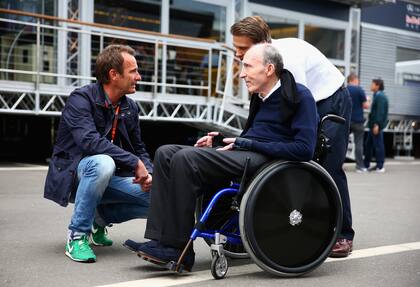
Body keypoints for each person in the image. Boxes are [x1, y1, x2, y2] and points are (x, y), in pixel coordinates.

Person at [126, 44, 318, 271]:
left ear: (269, 69)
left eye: (247, 66)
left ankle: (179, 249)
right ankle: (160, 239)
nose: (242, 73)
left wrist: (247, 143)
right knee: (166, 153)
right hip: (249, 154)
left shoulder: (299, 96)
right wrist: (222, 139)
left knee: (186, 158)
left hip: (269, 164)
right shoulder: (260, 97)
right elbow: (252, 136)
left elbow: (304, 149)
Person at [230, 16, 354, 257]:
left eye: (242, 48)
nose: (237, 53)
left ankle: (343, 234)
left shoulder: (288, 61)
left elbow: (298, 105)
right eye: (236, 47)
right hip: (311, 100)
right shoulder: (259, 62)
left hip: (330, 100)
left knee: (327, 165)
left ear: (261, 44)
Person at [44, 45, 153, 263]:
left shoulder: (129, 107)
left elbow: (139, 147)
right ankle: (76, 236)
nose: (138, 77)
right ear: (114, 74)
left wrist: (149, 173)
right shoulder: (80, 99)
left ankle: (99, 220)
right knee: (103, 163)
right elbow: (89, 141)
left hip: (111, 177)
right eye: (133, 71)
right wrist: (133, 162)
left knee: (160, 196)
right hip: (75, 175)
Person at [364, 78, 389, 172]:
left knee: (378, 145)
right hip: (373, 125)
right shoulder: (376, 95)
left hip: (375, 125)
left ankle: (380, 166)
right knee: (369, 145)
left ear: (377, 85)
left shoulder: (380, 97)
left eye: (372, 84)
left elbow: (380, 112)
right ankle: (366, 165)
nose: (371, 86)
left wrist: (377, 124)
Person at [347, 73, 369, 172]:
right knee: (359, 144)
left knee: (342, 144)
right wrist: (368, 100)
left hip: (346, 121)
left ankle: (338, 166)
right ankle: (360, 166)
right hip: (358, 121)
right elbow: (366, 106)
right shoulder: (359, 90)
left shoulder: (344, 89)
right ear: (354, 80)